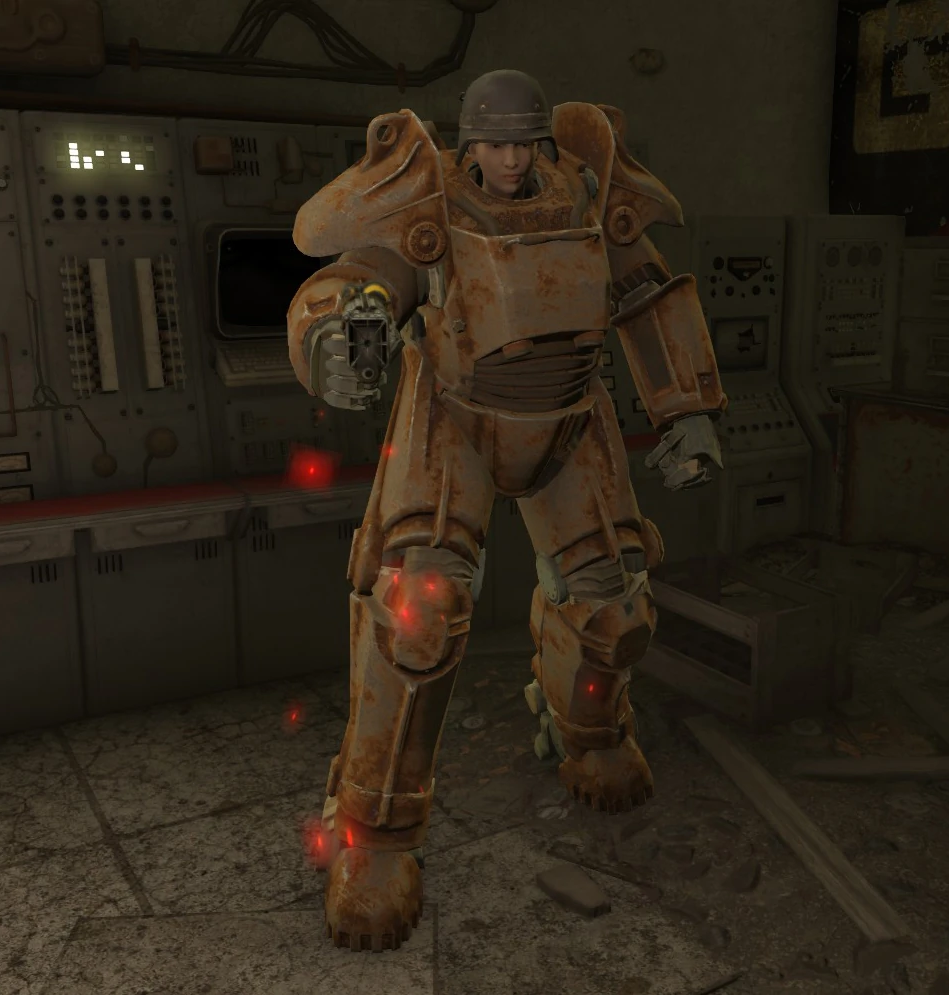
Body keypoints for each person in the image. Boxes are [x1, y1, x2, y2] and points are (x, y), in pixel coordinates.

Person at [286, 68, 726, 951]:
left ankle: (587, 730)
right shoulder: (429, 200)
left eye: (524, 143)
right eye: (493, 143)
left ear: (542, 142)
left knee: (615, 607)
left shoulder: (589, 193)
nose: (511, 160)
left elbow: (645, 292)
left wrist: (687, 408)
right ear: (468, 142)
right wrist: (336, 330)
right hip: (452, 418)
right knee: (416, 619)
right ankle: (375, 832)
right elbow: (361, 279)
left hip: (571, 419)